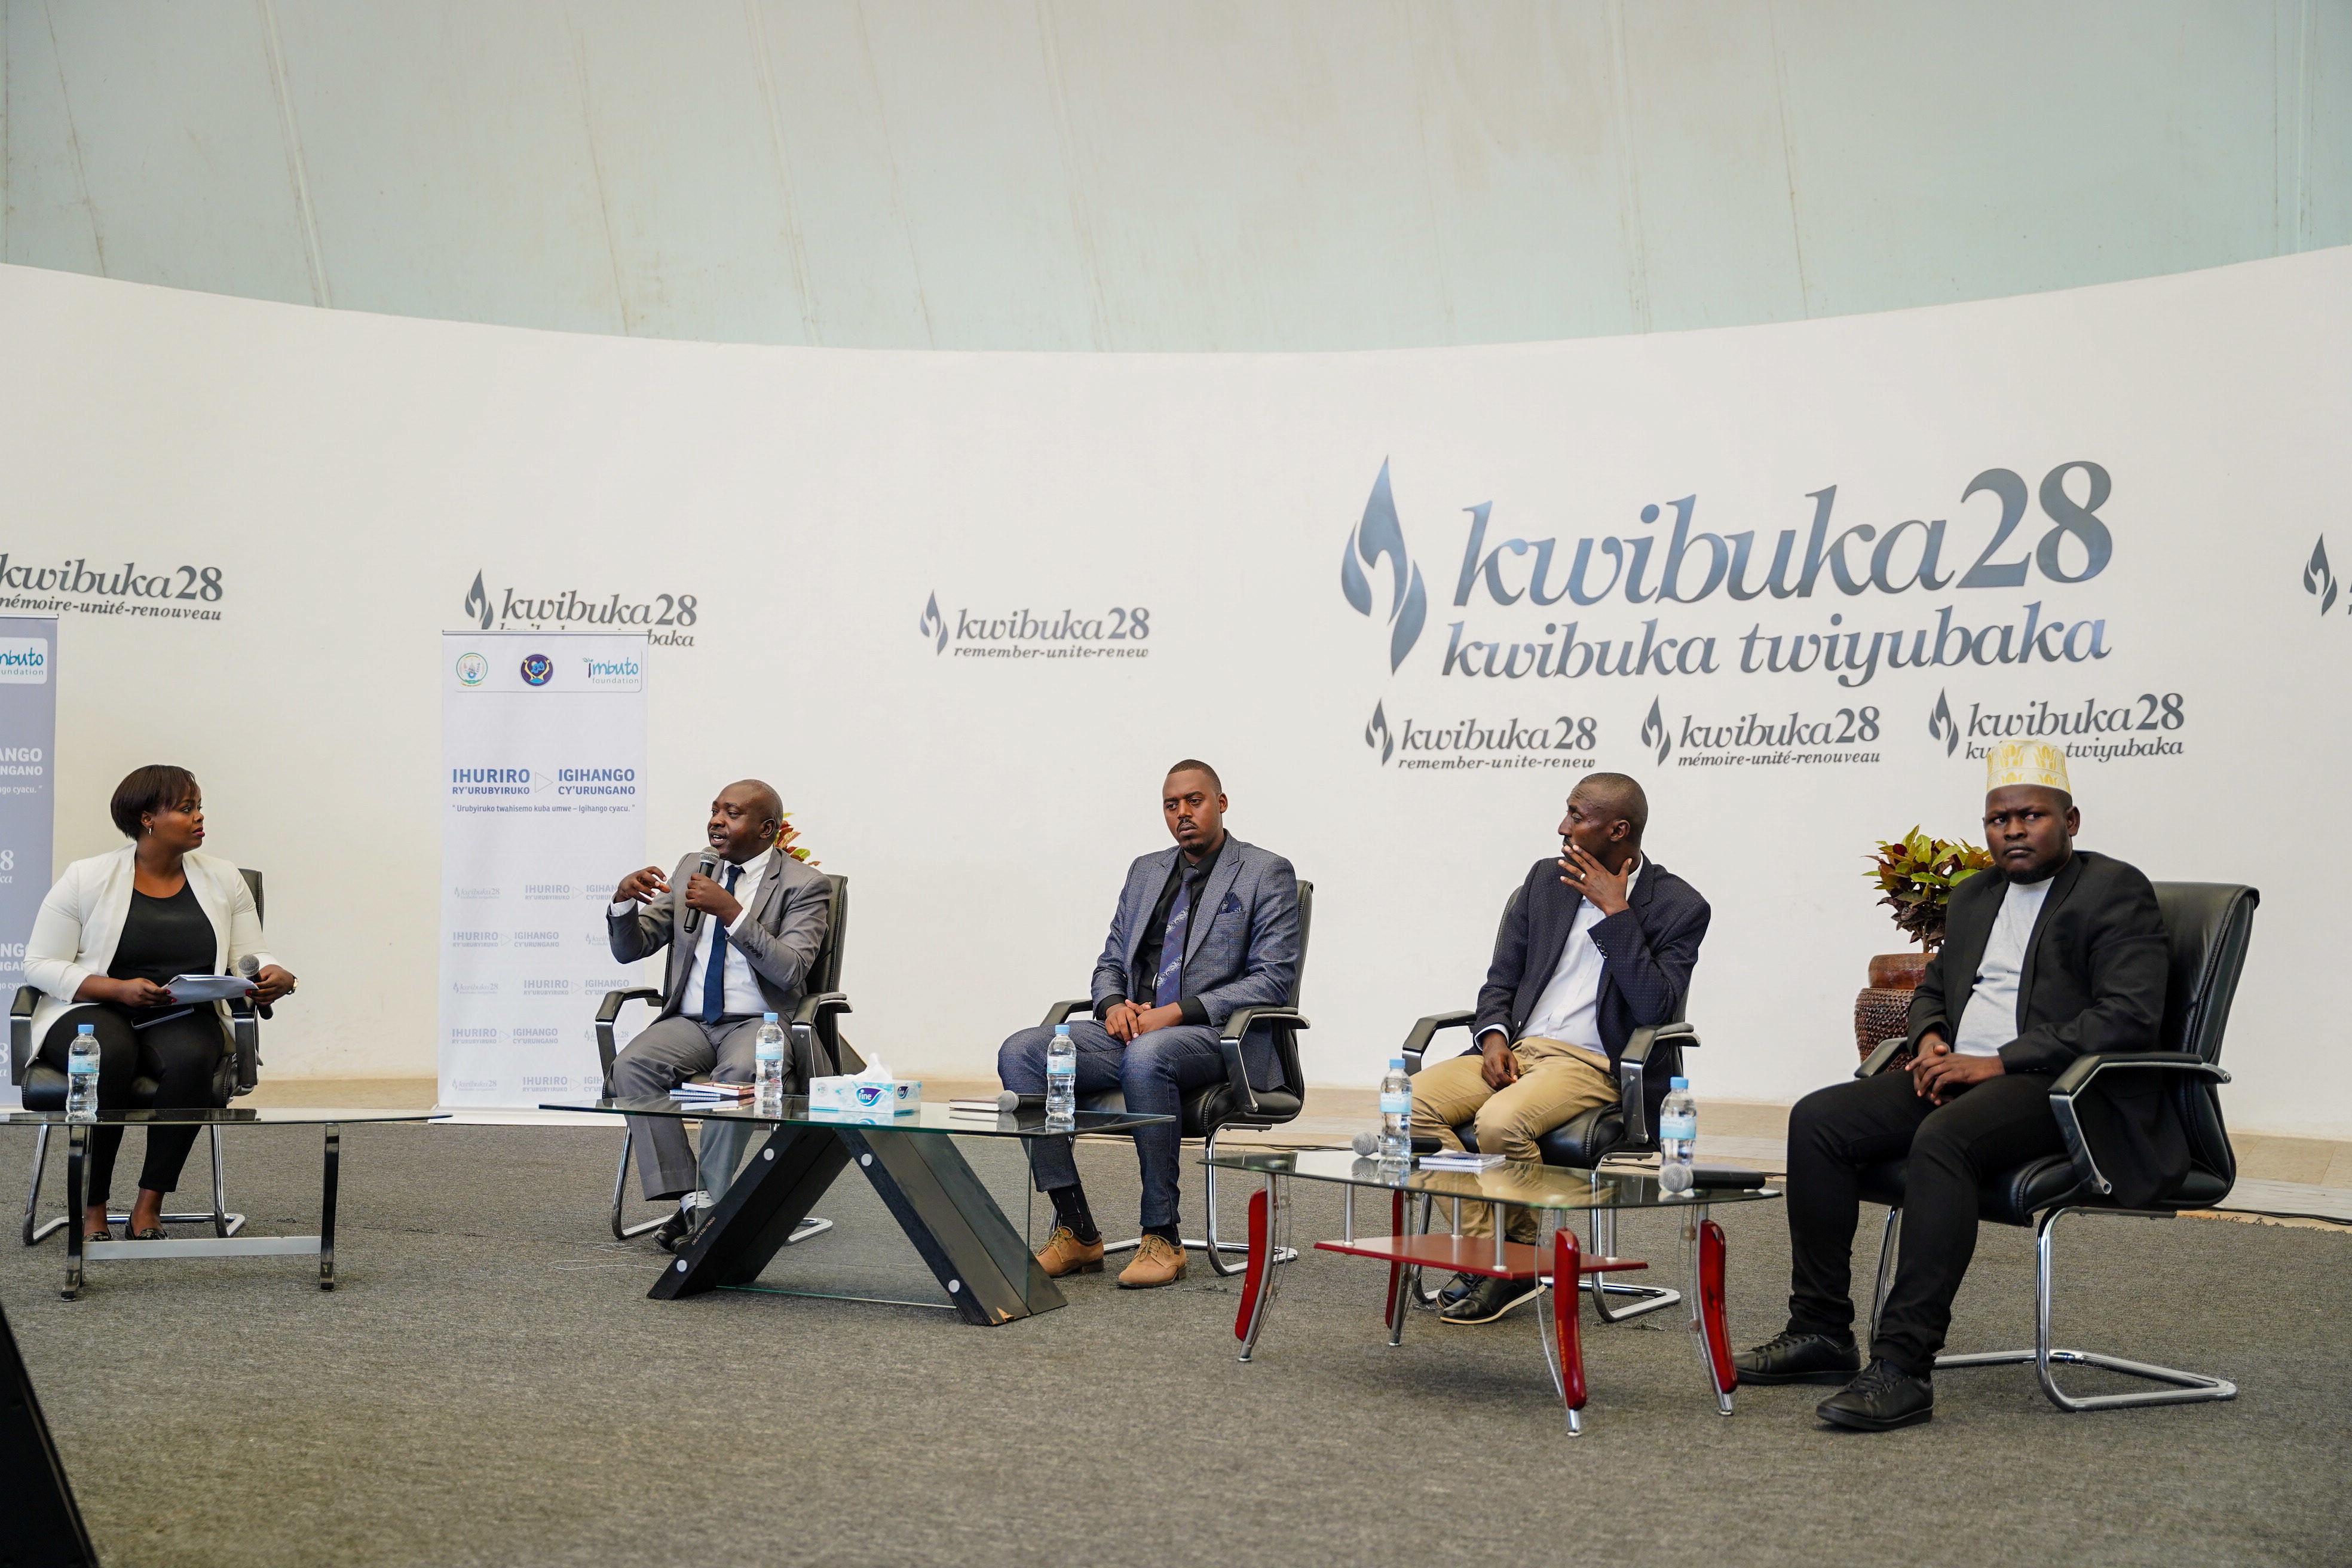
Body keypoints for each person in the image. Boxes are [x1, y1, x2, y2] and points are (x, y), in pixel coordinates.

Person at [1736, 740, 2170, 1431]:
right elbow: (1934, 989)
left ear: (2072, 820)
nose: (2014, 829)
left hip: (2060, 1088)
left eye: (2033, 815)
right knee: (1819, 1119)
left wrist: (1996, 1060)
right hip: (1962, 1071)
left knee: (1945, 1140)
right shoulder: (1973, 895)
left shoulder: (2115, 889)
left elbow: (2128, 1017)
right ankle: (1820, 1330)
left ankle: (1904, 1365)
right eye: (2000, 818)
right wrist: (1933, 1036)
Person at [1411, 771, 1711, 1324]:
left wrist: (1616, 913)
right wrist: (1495, 1036)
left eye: (1577, 816)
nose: (1562, 827)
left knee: (1501, 1122)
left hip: (1595, 1064)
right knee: (1407, 1105)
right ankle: (1486, 1255)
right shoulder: (1545, 881)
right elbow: (1501, 978)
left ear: (1618, 830)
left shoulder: (1679, 905)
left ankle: (1514, 1263)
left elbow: (1654, 1010)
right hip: (1520, 1047)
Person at [997, 760, 1300, 1290]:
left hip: (1218, 1038)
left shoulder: (1265, 872)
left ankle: (1163, 1234)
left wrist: (1174, 1013)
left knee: (1149, 1055)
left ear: (1221, 803)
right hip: (1136, 1029)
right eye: (1171, 805)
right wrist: (1114, 1002)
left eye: (1195, 801)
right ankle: (1075, 1228)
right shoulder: (1145, 872)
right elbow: (1111, 958)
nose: (1183, 813)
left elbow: (1272, 981)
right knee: (1022, 1051)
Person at [23, 765, 296, 1241]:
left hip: (181, 1013)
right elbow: (40, 964)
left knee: (192, 1057)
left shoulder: (224, 879)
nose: (199, 817)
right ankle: (92, 1207)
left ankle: (148, 1206)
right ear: (148, 818)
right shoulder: (86, 878)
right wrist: (115, 988)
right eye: (187, 808)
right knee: (108, 1053)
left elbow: (251, 957)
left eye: (199, 807)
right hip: (93, 1011)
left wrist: (275, 974)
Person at [607, 779, 832, 1251]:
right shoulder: (694, 866)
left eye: (732, 813)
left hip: (758, 1023)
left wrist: (732, 914)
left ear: (766, 828)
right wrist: (624, 903)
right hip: (689, 1022)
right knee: (632, 1066)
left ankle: (710, 1212)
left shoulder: (804, 885)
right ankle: (696, 1201)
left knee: (738, 1078)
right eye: (715, 810)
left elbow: (791, 969)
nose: (717, 820)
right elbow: (634, 947)